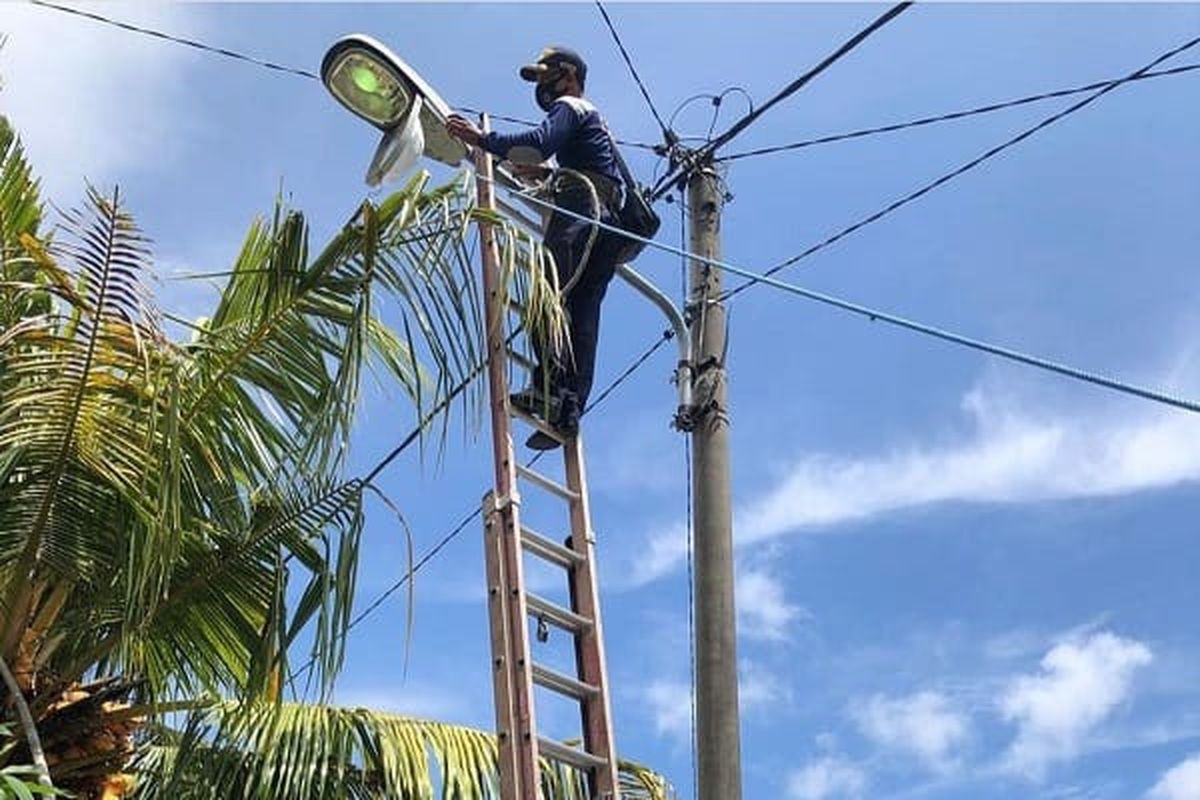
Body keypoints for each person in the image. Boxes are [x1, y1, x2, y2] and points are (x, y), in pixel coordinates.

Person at [447, 47, 625, 450]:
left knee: (546, 294)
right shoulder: (594, 121)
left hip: (585, 209)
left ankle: (550, 389)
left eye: (547, 77)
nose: (544, 88)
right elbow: (589, 164)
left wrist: (482, 139)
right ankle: (568, 408)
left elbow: (540, 141)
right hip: (607, 223)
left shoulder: (571, 105)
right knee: (579, 311)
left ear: (568, 75)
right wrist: (549, 174)